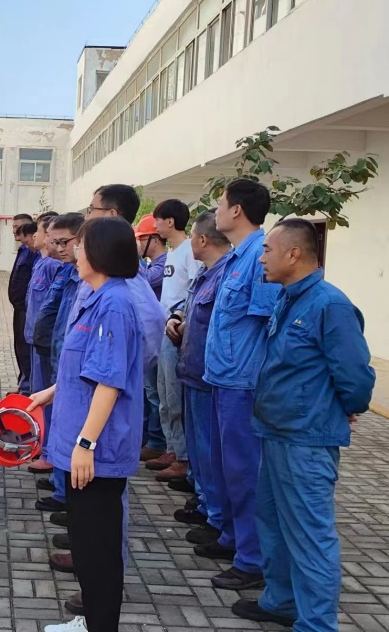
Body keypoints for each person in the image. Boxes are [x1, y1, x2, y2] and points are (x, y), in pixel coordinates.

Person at [233, 219, 375, 630]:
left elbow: (356, 377)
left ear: (294, 254)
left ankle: (316, 624)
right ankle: (281, 601)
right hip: (276, 430)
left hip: (306, 439)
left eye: (268, 250)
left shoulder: (330, 305)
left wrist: (342, 407)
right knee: (274, 524)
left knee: (310, 535)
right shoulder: (289, 297)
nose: (262, 258)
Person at [29, 217, 144, 632]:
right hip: (80, 443)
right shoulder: (96, 297)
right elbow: (86, 368)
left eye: (80, 246)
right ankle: (90, 620)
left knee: (99, 549)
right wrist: (51, 391)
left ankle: (100, 625)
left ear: (100, 253)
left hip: (98, 450)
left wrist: (86, 444)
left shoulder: (114, 304)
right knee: (86, 541)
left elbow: (109, 382)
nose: (73, 252)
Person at [200, 179, 282, 591]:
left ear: (237, 210)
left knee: (245, 471)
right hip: (222, 377)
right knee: (224, 467)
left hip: (243, 383)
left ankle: (252, 560)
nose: (216, 211)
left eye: (221, 203)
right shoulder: (237, 256)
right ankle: (232, 538)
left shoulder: (259, 257)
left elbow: (269, 325)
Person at [168, 212, 232, 550]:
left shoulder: (226, 275)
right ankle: (206, 505)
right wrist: (177, 317)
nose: (190, 242)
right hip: (192, 372)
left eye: (192, 236)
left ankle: (217, 518)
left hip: (210, 379)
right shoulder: (205, 274)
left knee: (211, 454)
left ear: (202, 240)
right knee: (199, 450)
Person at [32, 213, 86, 524]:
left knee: (73, 432)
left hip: (75, 370)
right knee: (60, 426)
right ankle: (62, 487)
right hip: (57, 357)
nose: (58, 247)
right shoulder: (68, 271)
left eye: (64, 242)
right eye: (54, 241)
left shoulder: (95, 283)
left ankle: (71, 498)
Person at [149, 200, 203, 483]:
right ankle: (171, 448)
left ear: (170, 221)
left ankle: (183, 458)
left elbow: (193, 292)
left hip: (176, 333)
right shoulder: (173, 252)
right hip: (163, 331)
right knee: (164, 395)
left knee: (174, 396)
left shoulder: (189, 252)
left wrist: (179, 320)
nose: (155, 225)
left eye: (158, 219)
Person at [26, 215, 63, 476]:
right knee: (38, 393)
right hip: (35, 339)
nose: (38, 236)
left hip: (48, 343)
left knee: (48, 397)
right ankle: (43, 444)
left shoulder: (54, 266)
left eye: (42, 232)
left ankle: (49, 450)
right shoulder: (41, 263)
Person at [135, 214, 168, 464]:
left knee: (154, 393)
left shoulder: (161, 266)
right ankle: (148, 437)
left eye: (141, 239)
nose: (138, 245)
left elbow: (141, 280)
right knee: (149, 393)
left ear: (153, 240)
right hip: (152, 336)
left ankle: (156, 441)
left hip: (157, 338)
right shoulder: (151, 265)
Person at [9, 214, 37, 395]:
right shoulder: (23, 249)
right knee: (19, 349)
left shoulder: (33, 252)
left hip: (27, 310)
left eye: (18, 227)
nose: (15, 231)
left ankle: (27, 389)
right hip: (19, 310)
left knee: (26, 352)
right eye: (13, 227)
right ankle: (23, 384)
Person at [135, 215, 167, 300]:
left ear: (155, 241)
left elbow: (144, 280)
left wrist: (134, 255)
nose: (139, 243)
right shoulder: (152, 264)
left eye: (141, 240)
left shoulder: (166, 262)